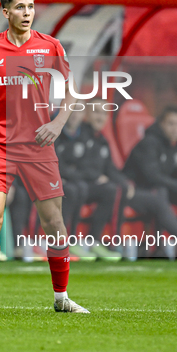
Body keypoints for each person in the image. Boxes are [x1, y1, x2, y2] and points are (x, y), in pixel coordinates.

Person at [0, 0, 88, 313]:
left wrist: (58, 123)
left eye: (31, 6)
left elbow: (72, 93)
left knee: (54, 224)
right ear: (6, 12)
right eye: (20, 7)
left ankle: (61, 298)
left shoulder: (50, 46)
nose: (27, 12)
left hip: (38, 148)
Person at [123, 105, 177, 259]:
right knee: (161, 193)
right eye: (171, 124)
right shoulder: (149, 143)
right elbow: (152, 177)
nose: (175, 129)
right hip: (135, 191)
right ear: (161, 124)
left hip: (158, 191)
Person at [55, 108, 122, 261]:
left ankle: (94, 241)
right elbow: (74, 164)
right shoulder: (73, 134)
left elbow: (108, 167)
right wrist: (94, 175)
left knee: (113, 189)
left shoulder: (101, 139)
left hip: (82, 182)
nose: (74, 115)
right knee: (75, 189)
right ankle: (66, 241)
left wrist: (123, 182)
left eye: (104, 113)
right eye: (97, 112)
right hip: (71, 182)